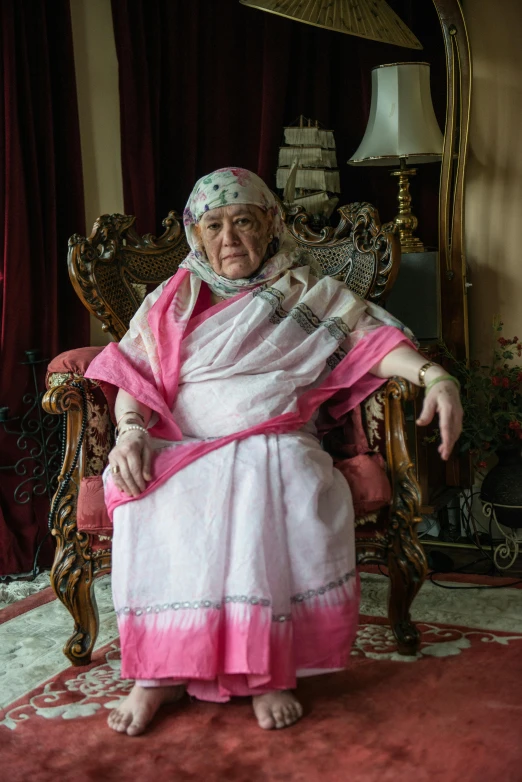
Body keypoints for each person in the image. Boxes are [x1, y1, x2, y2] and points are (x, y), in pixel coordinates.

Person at [86, 167, 463, 736]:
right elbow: (133, 378)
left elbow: (375, 345)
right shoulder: (171, 300)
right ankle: (157, 674)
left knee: (284, 475)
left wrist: (436, 378)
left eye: (243, 221)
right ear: (196, 235)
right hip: (181, 442)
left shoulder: (309, 292)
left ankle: (268, 669)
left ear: (271, 224)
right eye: (214, 224)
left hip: (277, 434)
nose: (229, 237)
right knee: (150, 495)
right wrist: (132, 432)